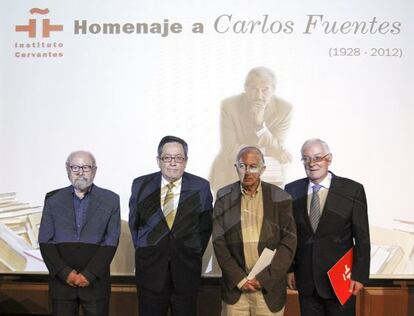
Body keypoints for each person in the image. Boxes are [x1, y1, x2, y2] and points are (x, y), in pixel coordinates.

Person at [128, 135, 213, 316]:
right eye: (167, 157)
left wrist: (191, 252)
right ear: (158, 161)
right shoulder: (141, 184)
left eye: (179, 158)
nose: (173, 163)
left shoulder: (201, 187)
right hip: (150, 270)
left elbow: (205, 228)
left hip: (186, 270)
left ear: (186, 161)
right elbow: (135, 225)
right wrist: (151, 249)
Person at [285, 139, 370, 316]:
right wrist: (290, 269)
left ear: (329, 159)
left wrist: (359, 275)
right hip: (306, 280)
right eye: (306, 159)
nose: (312, 163)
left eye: (317, 158)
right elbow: (289, 234)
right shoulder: (292, 189)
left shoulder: (352, 190)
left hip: (341, 281)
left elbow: (362, 238)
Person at [213, 146, 297, 316]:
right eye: (242, 166)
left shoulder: (281, 197)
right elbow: (219, 243)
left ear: (263, 169)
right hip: (236, 290)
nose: (247, 172)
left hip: (268, 290)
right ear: (236, 168)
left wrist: (264, 279)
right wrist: (240, 279)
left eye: (253, 166)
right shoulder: (224, 196)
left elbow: (289, 242)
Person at [39, 150, 121, 316]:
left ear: (95, 170)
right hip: (61, 285)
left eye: (86, 167)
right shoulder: (53, 199)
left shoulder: (111, 199)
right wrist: (65, 273)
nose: (81, 173)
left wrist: (89, 274)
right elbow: (45, 240)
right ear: (68, 169)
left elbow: (110, 241)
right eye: (75, 167)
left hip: (95, 283)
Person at [209, 66, 292, 194]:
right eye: (253, 89)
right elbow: (230, 149)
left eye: (265, 90)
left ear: (273, 90)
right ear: (245, 88)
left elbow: (278, 148)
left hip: (268, 174)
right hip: (230, 171)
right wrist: (266, 151)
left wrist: (260, 126)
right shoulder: (229, 106)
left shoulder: (284, 109)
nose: (259, 96)